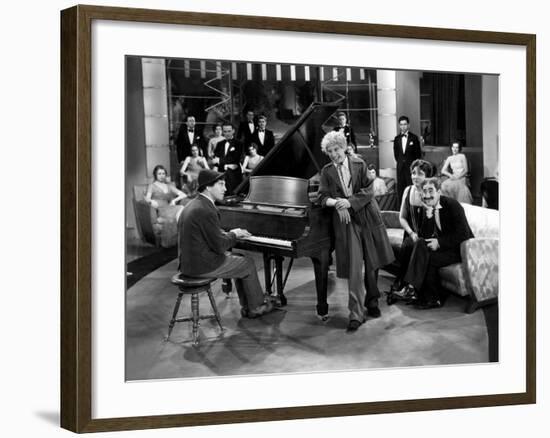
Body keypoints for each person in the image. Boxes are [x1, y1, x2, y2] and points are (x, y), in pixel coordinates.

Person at [318, 131, 394, 331]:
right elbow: (321, 197)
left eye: (336, 149)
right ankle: (356, 313)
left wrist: (349, 202)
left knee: (372, 262)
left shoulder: (359, 164)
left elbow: (369, 191)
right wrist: (338, 204)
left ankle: (372, 300)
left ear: (343, 147)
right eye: (330, 151)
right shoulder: (326, 172)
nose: (334, 154)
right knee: (354, 267)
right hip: (346, 221)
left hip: (368, 216)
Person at [177, 169, 275, 318]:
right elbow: (220, 246)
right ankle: (256, 307)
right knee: (247, 263)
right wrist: (234, 234)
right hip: (201, 266)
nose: (225, 189)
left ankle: (248, 306)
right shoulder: (206, 209)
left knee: (240, 257)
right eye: (221, 184)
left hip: (188, 263)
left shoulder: (195, 204)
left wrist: (226, 233)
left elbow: (207, 233)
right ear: (208, 187)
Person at [401, 177, 474, 309]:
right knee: (420, 244)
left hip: (461, 249)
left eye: (431, 191)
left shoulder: (453, 205)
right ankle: (421, 293)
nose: (427, 195)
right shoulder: (427, 207)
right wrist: (428, 217)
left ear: (439, 192)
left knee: (428, 257)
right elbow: (425, 236)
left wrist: (439, 243)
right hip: (446, 247)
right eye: (424, 192)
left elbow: (463, 234)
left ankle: (416, 290)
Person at [392, 159, 434, 295]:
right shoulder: (408, 190)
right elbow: (402, 217)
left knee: (416, 247)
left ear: (427, 176)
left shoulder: (432, 192)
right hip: (411, 232)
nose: (415, 177)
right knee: (407, 246)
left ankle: (414, 288)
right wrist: (411, 233)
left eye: (420, 174)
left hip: (428, 235)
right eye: (413, 173)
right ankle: (403, 283)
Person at [144, 165, 187, 248]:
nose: (161, 175)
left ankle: (182, 235)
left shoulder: (169, 186)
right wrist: (152, 201)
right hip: (160, 210)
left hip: (169, 208)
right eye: (159, 173)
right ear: (155, 175)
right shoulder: (152, 186)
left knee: (181, 208)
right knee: (181, 208)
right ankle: (183, 237)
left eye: (163, 173)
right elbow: (147, 199)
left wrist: (174, 200)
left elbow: (183, 195)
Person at [393, 115, 422, 201]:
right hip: (400, 168)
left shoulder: (414, 138)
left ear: (408, 125)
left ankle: (412, 206)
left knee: (411, 188)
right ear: (399, 126)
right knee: (401, 189)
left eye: (405, 124)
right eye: (401, 124)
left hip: (411, 168)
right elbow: (396, 154)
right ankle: (401, 210)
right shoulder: (397, 139)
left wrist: (414, 167)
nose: (403, 126)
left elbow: (418, 154)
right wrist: (401, 162)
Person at [213, 122, 244, 195]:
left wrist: (220, 161)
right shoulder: (219, 144)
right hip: (221, 174)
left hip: (233, 175)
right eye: (225, 131)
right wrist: (225, 164)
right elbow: (215, 160)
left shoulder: (239, 144)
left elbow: (237, 159)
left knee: (233, 196)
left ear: (233, 131)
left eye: (229, 131)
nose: (227, 133)